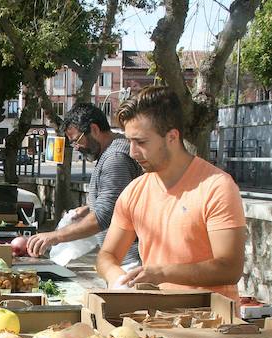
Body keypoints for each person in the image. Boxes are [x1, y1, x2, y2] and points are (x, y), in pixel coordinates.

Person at [95, 86, 246, 302]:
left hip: (211, 324)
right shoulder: (134, 191)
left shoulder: (217, 187)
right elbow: (107, 256)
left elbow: (230, 268)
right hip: (155, 322)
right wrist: (116, 278)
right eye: (129, 141)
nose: (132, 152)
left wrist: (162, 274)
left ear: (172, 137)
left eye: (141, 142)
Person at [26, 102, 141, 267]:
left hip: (129, 261)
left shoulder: (115, 158)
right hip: (122, 258)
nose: (76, 147)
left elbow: (105, 214)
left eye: (77, 140)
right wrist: (89, 207)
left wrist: (55, 236)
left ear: (94, 129)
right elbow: (119, 199)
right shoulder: (111, 152)